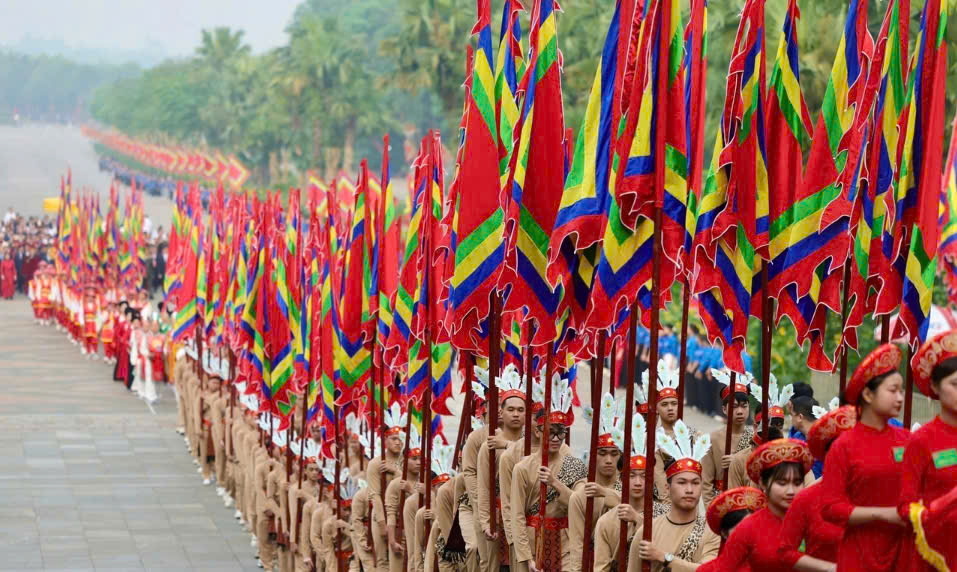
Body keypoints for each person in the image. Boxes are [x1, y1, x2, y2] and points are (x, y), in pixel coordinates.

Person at [820, 344, 910, 572]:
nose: (900, 398)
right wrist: (883, 514)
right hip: (860, 555)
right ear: (868, 395)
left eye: (901, 391)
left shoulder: (908, 441)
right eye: (893, 390)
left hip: (904, 551)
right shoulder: (843, 446)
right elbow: (830, 508)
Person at [700, 439, 831, 572]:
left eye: (797, 483)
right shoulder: (747, 529)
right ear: (763, 483)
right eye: (782, 483)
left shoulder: (816, 520)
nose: (791, 491)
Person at [510, 375, 585, 572]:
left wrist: (555, 483)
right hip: (533, 541)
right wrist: (526, 557)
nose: (556, 438)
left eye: (560, 432)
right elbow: (517, 515)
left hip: (565, 542)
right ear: (538, 432)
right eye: (550, 431)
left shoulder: (574, 464)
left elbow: (581, 504)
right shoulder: (523, 468)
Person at [897, 330, 957, 571]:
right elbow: (905, 506)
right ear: (934, 386)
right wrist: (943, 506)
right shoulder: (921, 441)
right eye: (955, 384)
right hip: (933, 555)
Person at [627, 420, 719, 571]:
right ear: (667, 488)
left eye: (695, 483)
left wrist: (664, 557)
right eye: (682, 483)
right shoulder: (648, 531)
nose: (689, 489)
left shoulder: (711, 531)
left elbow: (709, 570)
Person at [778, 405, 854, 567]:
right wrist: (827, 568)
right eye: (840, 451)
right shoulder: (806, 499)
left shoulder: (877, 495)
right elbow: (785, 551)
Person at [593, 416, 666, 572]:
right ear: (622, 479)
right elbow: (601, 568)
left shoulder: (664, 516)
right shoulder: (606, 521)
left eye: (644, 476)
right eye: (632, 476)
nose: (638, 482)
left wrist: (638, 520)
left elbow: (666, 557)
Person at [477, 363, 527, 572]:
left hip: (527, 518)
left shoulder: (532, 445)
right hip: (498, 518)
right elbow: (484, 487)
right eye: (511, 409)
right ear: (501, 412)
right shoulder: (489, 447)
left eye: (521, 410)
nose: (516, 414)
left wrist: (507, 445)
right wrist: (486, 522)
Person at [567, 393, 623, 572]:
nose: (608, 460)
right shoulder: (581, 495)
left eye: (614, 454)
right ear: (592, 455)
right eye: (602, 454)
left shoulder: (631, 490)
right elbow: (577, 545)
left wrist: (607, 494)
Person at [702, 369, 753, 505]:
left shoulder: (755, 438)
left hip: (748, 499)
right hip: (721, 501)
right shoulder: (712, 439)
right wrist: (712, 509)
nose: (740, 411)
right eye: (734, 407)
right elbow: (706, 482)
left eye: (744, 406)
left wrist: (738, 461)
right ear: (724, 409)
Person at [368, 403, 408, 572]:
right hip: (381, 515)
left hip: (403, 515)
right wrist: (382, 523)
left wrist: (396, 471)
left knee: (402, 557)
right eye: (393, 438)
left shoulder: (408, 462)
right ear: (385, 440)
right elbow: (374, 495)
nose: (398, 442)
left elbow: (410, 485)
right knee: (382, 560)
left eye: (400, 439)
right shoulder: (375, 464)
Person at [386, 427, 423, 572]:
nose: (418, 462)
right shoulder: (395, 484)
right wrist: (392, 540)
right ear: (404, 461)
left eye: (420, 459)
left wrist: (411, 490)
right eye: (414, 459)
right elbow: (391, 513)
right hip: (400, 535)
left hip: (420, 535)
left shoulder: (425, 484)